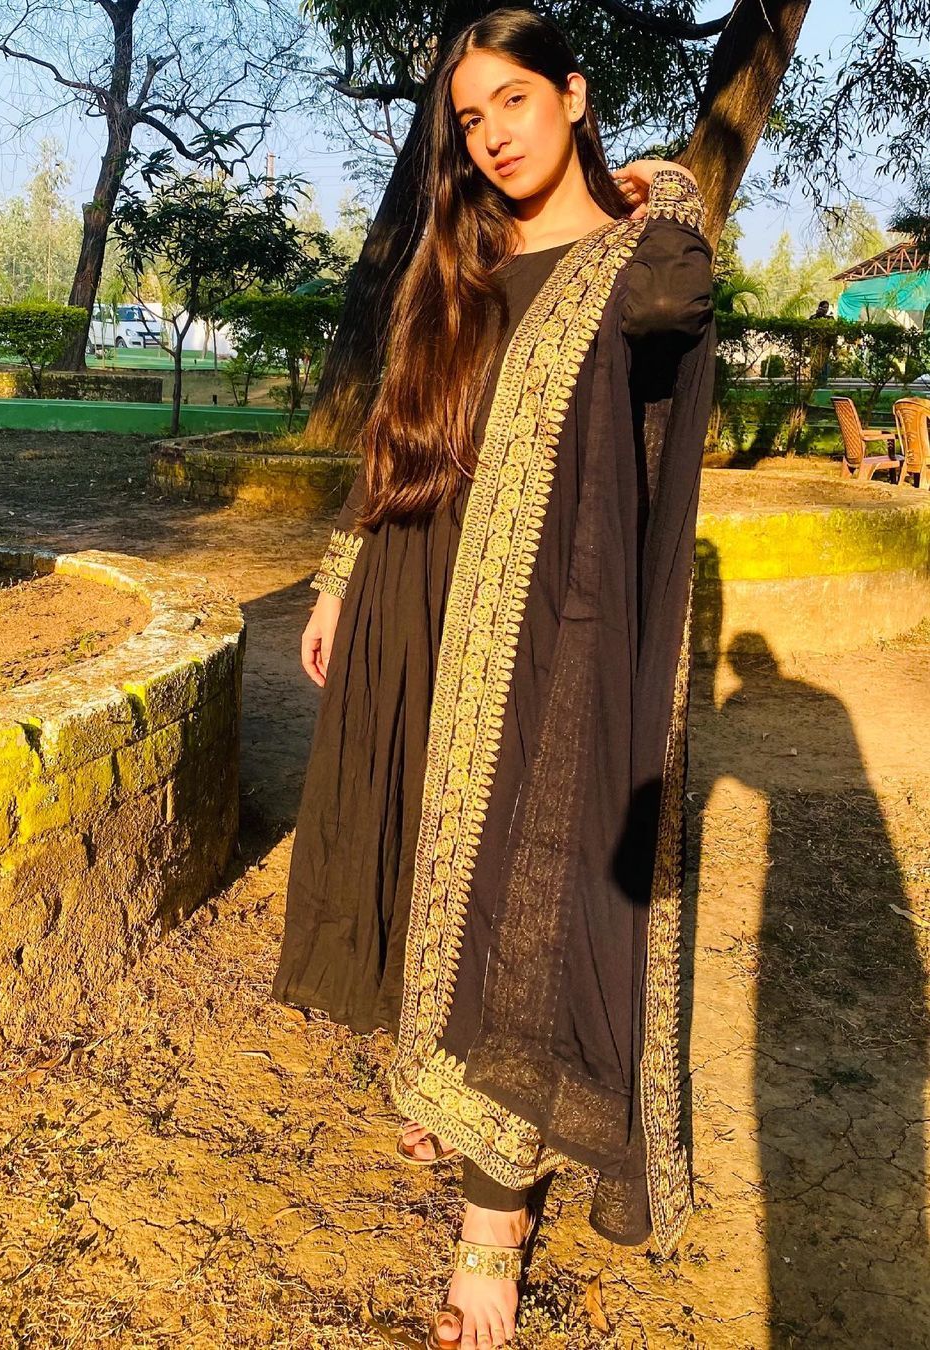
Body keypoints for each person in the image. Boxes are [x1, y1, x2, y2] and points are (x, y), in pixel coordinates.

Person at [272, 8, 716, 1347]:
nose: (493, 136)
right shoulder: (462, 259)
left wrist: (672, 192)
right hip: (418, 591)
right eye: (470, 118)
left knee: (527, 886)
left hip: (541, 620)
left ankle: (494, 1217)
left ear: (574, 94)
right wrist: (342, 576)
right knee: (428, 856)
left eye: (514, 100)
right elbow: (398, 424)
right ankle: (447, 1080)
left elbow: (682, 304)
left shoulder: (633, 259)